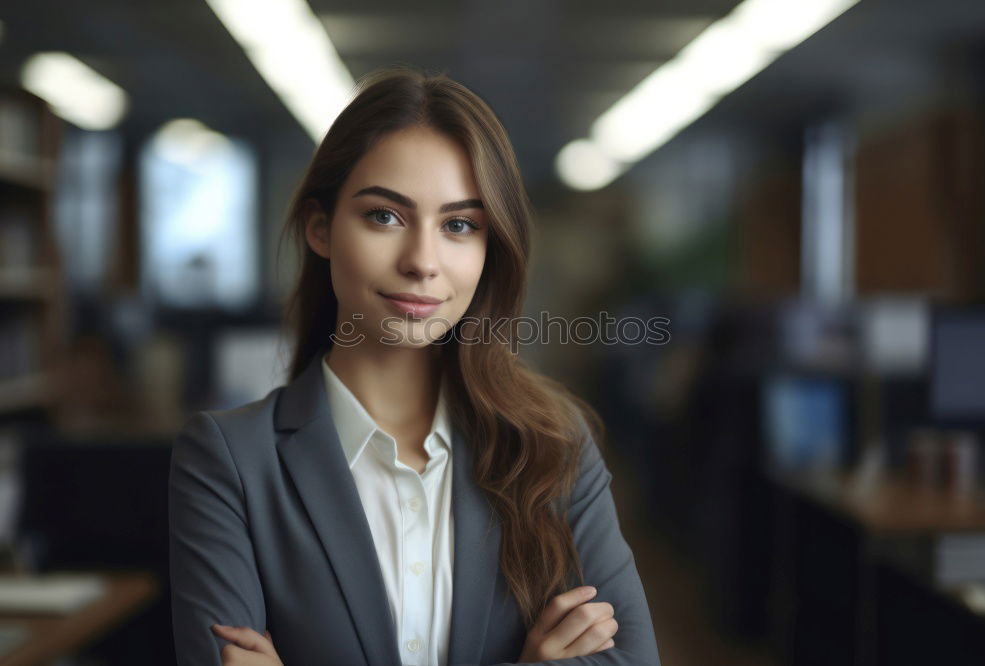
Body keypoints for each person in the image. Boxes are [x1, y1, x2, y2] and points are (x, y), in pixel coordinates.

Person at [168, 65, 661, 666]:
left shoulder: (552, 445)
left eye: (459, 225)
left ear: (491, 247)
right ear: (320, 229)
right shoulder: (230, 461)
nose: (423, 261)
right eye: (385, 216)